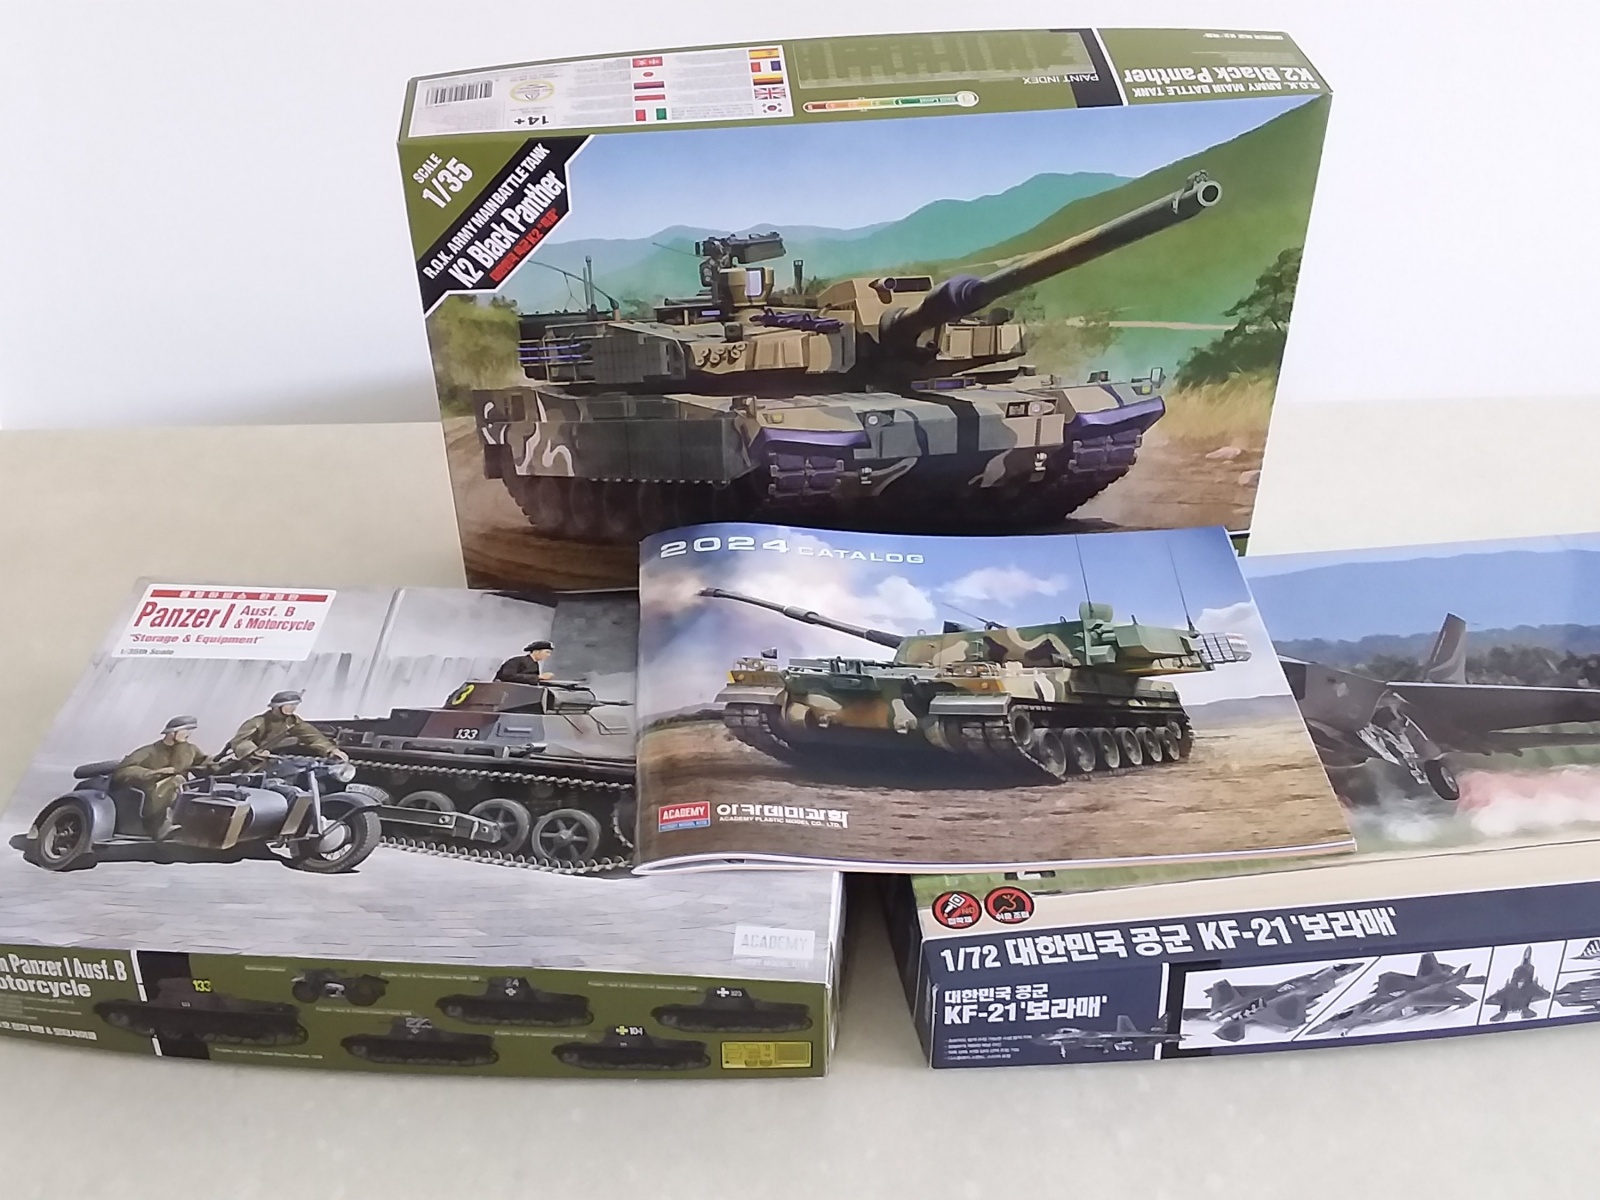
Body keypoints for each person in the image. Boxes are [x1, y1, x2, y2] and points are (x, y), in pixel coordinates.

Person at [111, 715, 217, 838]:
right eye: (186, 730)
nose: (188, 734)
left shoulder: (189, 750)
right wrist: (154, 773)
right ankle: (164, 825)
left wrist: (227, 765)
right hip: (152, 794)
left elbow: (205, 766)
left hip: (181, 793)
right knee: (176, 780)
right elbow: (123, 771)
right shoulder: (149, 751)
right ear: (172, 733)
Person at [228, 690, 348, 762]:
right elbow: (240, 742)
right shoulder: (258, 722)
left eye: (294, 706)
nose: (292, 709)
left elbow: (312, 736)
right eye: (289, 706)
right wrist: (254, 752)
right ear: (276, 707)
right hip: (248, 761)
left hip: (273, 759)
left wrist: (331, 750)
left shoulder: (293, 721)